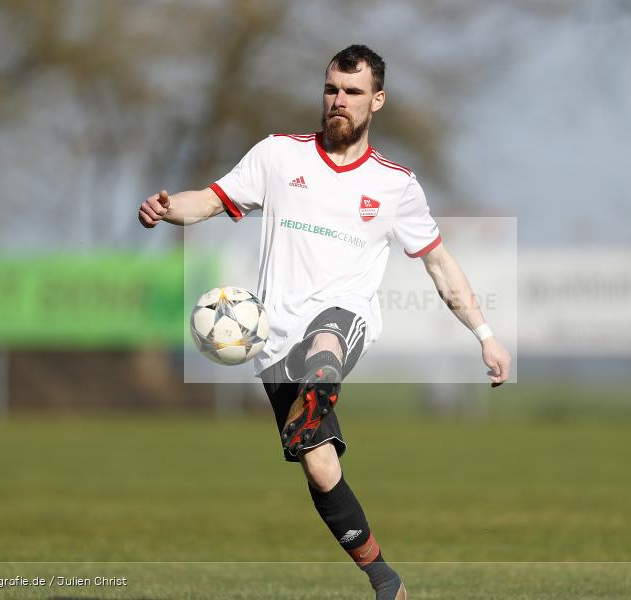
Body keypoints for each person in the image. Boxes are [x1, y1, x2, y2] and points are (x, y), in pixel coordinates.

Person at [139, 44, 511, 600]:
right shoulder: (278, 156)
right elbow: (210, 201)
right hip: (270, 342)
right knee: (320, 469)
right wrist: (168, 208)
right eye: (332, 90)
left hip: (344, 319)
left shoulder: (396, 185)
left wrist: (484, 334)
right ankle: (385, 579)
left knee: (328, 337)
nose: (339, 101)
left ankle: (319, 387)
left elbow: (439, 263)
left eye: (353, 92)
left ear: (376, 101)